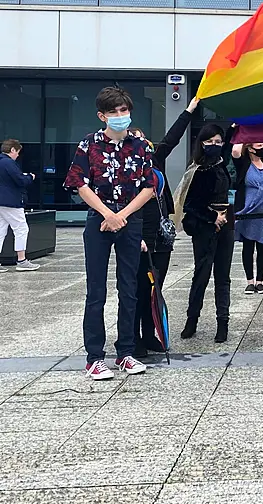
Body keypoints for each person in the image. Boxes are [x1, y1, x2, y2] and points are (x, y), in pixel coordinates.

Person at [64, 86, 154, 380]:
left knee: (129, 288)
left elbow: (149, 187)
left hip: (130, 221)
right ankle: (94, 356)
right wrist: (107, 214)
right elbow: (79, 183)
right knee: (96, 291)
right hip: (99, 220)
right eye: (113, 112)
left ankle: (125, 352)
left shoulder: (142, 147)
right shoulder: (88, 144)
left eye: (124, 111)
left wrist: (121, 216)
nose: (120, 116)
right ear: (102, 115)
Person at [128, 97, 197, 358]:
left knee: (155, 287)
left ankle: (150, 334)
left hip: (161, 236)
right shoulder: (127, 171)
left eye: (143, 139)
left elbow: (172, 139)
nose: (141, 144)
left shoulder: (154, 163)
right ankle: (132, 338)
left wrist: (190, 110)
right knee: (136, 288)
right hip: (139, 236)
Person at [173, 123, 234, 344]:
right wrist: (212, 217)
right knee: (201, 274)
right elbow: (189, 204)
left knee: (223, 277)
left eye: (219, 142)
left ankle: (223, 323)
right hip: (204, 227)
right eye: (210, 142)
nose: (215, 146)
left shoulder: (222, 165)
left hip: (226, 224)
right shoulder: (197, 170)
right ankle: (192, 320)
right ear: (202, 143)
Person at [232, 137, 263, 296]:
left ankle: (260, 281)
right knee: (248, 244)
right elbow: (236, 150)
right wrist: (244, 133)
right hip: (248, 209)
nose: (262, 145)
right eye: (258, 143)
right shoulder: (243, 163)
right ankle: (250, 281)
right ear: (249, 147)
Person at [0, 139, 40, 272]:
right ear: (12, 150)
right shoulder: (8, 162)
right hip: (11, 201)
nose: (18, 155)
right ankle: (22, 260)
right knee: (21, 229)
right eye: (17, 152)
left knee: (1, 231)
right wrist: (30, 177)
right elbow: (20, 180)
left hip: (1, 202)